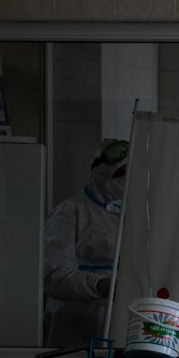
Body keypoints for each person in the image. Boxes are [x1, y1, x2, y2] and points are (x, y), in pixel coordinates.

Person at [43, 140, 129, 347]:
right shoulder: (70, 211)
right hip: (76, 319)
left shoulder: (137, 211)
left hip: (123, 318)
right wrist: (100, 284)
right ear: (100, 173)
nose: (126, 180)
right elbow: (53, 276)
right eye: (119, 174)